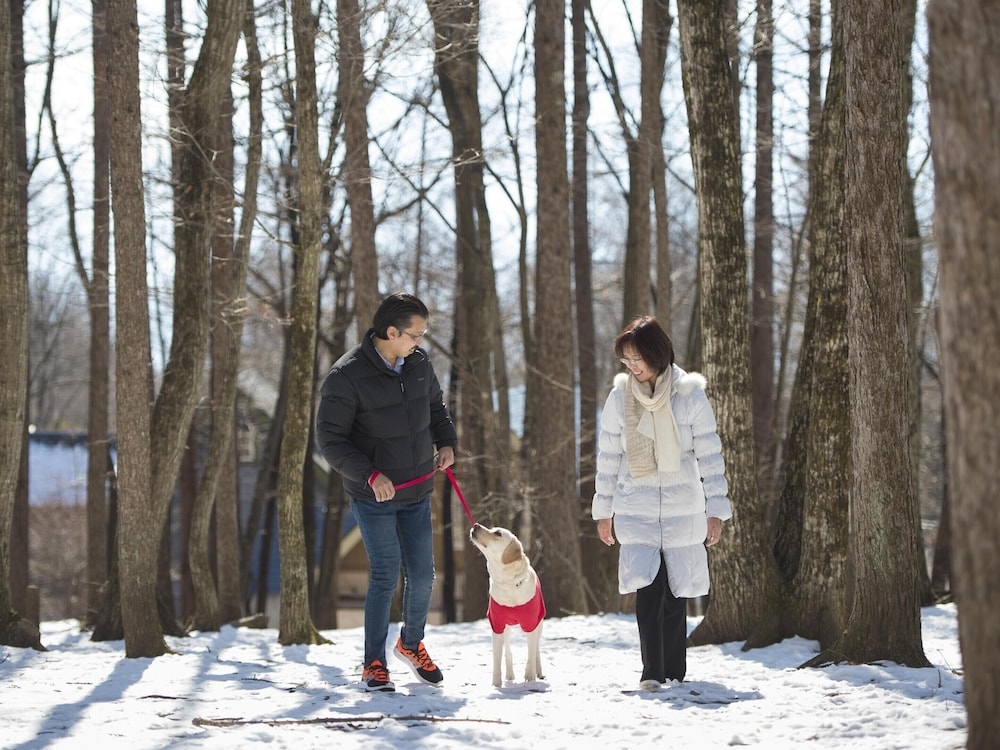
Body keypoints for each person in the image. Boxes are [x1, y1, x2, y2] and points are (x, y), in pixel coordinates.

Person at [316, 293, 457, 692]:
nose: (420, 342)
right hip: (373, 495)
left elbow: (437, 409)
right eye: (416, 334)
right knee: (384, 574)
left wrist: (447, 442)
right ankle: (373, 664)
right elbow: (330, 441)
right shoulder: (346, 376)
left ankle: (410, 644)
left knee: (423, 576)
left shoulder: (419, 364)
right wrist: (370, 474)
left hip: (417, 490)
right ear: (392, 332)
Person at [591, 315, 731, 691]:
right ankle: (652, 671)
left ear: (656, 354)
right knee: (648, 590)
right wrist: (603, 511)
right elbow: (608, 458)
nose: (631, 366)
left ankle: (674, 670)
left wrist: (716, 510)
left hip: (682, 507)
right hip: (635, 507)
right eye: (626, 360)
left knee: (675, 593)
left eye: (637, 358)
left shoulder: (689, 395)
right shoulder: (619, 398)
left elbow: (710, 454)